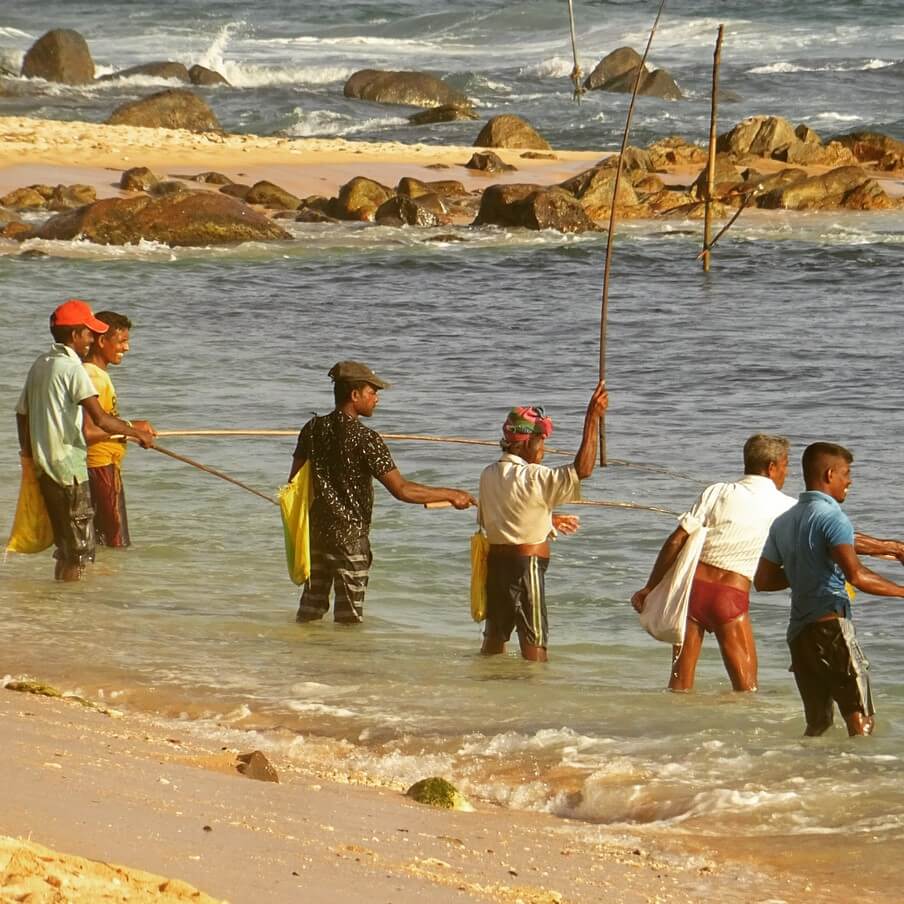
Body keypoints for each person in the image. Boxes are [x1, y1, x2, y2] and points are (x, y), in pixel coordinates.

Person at [288, 360, 475, 624]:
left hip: (316, 536)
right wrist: (452, 494)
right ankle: (342, 664)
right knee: (349, 619)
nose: (376, 399)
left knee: (309, 611)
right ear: (354, 395)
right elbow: (402, 490)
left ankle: (302, 660)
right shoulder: (367, 439)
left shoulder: (312, 429)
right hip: (350, 540)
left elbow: (294, 482)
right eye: (372, 392)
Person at [755, 442, 904, 736]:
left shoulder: (783, 522)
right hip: (832, 630)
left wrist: (804, 569)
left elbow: (763, 581)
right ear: (829, 473)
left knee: (818, 723)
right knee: (860, 720)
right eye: (846, 474)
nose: (849, 482)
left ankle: (807, 777)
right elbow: (857, 575)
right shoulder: (834, 517)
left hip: (799, 636)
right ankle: (859, 780)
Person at [631, 434, 795, 692]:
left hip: (692, 591)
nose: (787, 472)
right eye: (786, 464)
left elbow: (676, 541)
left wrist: (649, 587)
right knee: (746, 690)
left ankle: (671, 730)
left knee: (679, 685)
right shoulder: (789, 507)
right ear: (771, 467)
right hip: (729, 596)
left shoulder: (718, 491)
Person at [15, 300, 156, 581]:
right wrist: (134, 431)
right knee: (79, 551)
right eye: (89, 334)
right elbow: (99, 422)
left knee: (69, 547)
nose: (91, 340)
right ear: (76, 334)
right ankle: (71, 609)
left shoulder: (41, 364)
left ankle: (66, 607)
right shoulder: (74, 369)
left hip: (46, 469)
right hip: (69, 473)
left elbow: (22, 415)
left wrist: (29, 458)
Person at [477, 381, 609, 662]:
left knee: (493, 640)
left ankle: (486, 692)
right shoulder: (534, 476)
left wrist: (548, 519)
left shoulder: (488, 474)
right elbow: (582, 469)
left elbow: (506, 515)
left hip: (496, 567)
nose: (544, 449)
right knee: (534, 644)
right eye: (541, 441)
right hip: (527, 568)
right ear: (525, 441)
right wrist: (592, 418)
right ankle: (536, 698)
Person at [82, 310, 156, 547]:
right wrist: (132, 429)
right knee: (116, 543)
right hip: (99, 467)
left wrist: (131, 429)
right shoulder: (92, 377)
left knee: (103, 541)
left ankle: (100, 582)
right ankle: (106, 581)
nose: (126, 348)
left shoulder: (98, 375)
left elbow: (104, 420)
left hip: (105, 467)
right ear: (102, 341)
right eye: (121, 341)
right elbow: (89, 431)